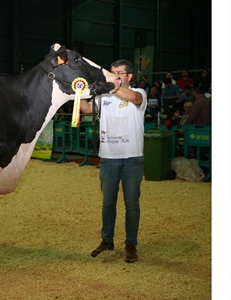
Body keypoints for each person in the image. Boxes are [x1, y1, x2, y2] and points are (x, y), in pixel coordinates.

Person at [80, 59, 147, 263]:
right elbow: (86, 109)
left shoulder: (139, 93)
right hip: (108, 158)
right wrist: (78, 93)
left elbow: (133, 97)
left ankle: (131, 244)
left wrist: (110, 86)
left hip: (132, 158)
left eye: (119, 72)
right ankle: (107, 240)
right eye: (113, 72)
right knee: (108, 203)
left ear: (130, 76)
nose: (115, 75)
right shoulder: (104, 96)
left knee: (132, 204)